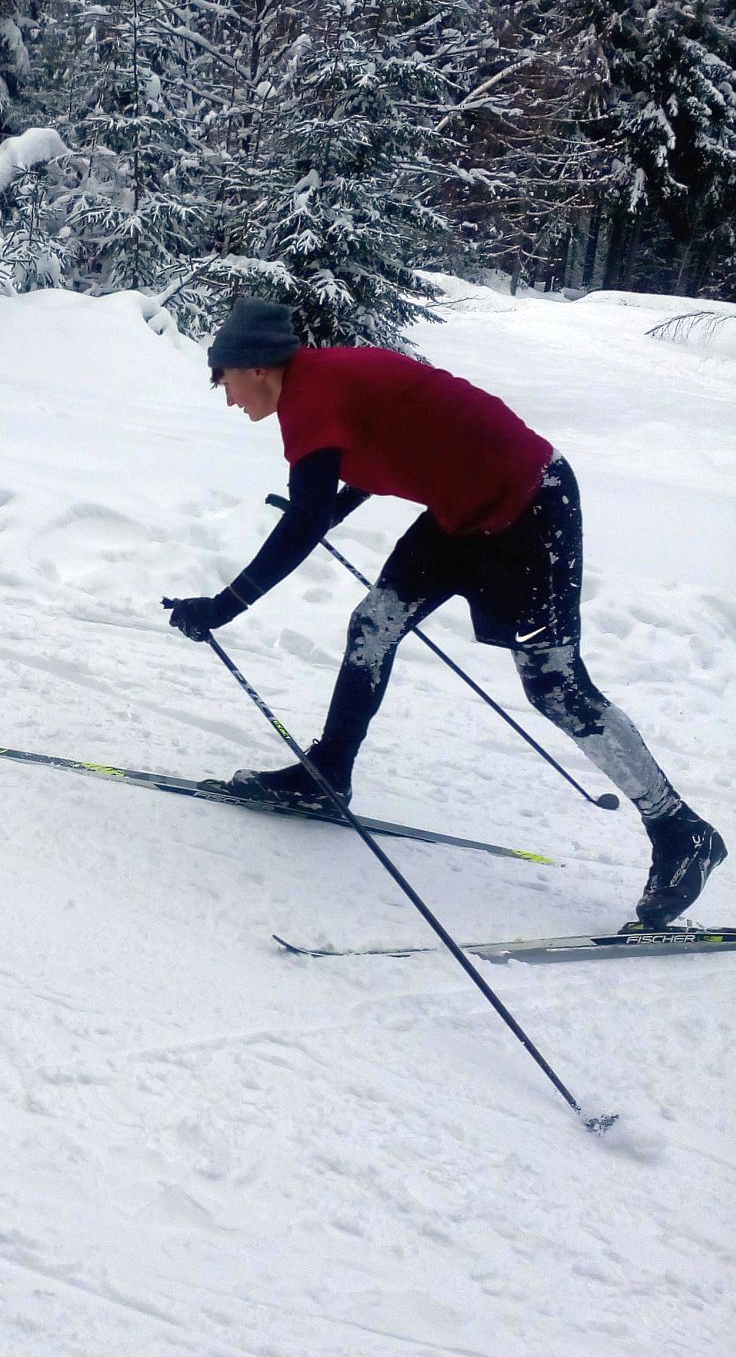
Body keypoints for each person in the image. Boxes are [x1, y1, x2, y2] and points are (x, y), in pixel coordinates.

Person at [164, 296, 725, 929]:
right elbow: (400, 433)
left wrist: (224, 605)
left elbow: (304, 521)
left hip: (530, 508)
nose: (228, 398)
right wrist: (331, 508)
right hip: (461, 516)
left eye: (224, 381)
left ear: (257, 367)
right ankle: (328, 774)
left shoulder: (310, 395)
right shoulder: (326, 380)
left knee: (556, 688)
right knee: (373, 625)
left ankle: (682, 832)